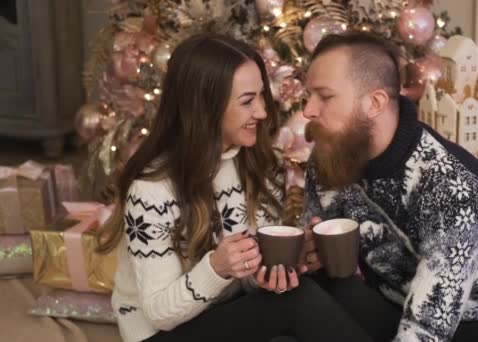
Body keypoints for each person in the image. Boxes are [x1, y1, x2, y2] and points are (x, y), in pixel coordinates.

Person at [96, 33, 374, 342]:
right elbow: (159, 313)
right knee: (297, 302)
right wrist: (216, 268)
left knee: (327, 286)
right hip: (159, 332)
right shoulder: (152, 190)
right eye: (246, 101)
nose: (262, 112)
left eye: (260, 96)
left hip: (226, 312)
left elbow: (253, 285)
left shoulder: (259, 165)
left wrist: (280, 267)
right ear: (207, 108)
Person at [300, 32, 478, 342]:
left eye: (324, 96)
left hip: (472, 327)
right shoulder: (329, 153)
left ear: (375, 102)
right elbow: (321, 263)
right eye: (308, 95)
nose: (308, 110)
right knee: (303, 299)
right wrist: (311, 255)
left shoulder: (455, 185)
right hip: (390, 307)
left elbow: (427, 329)